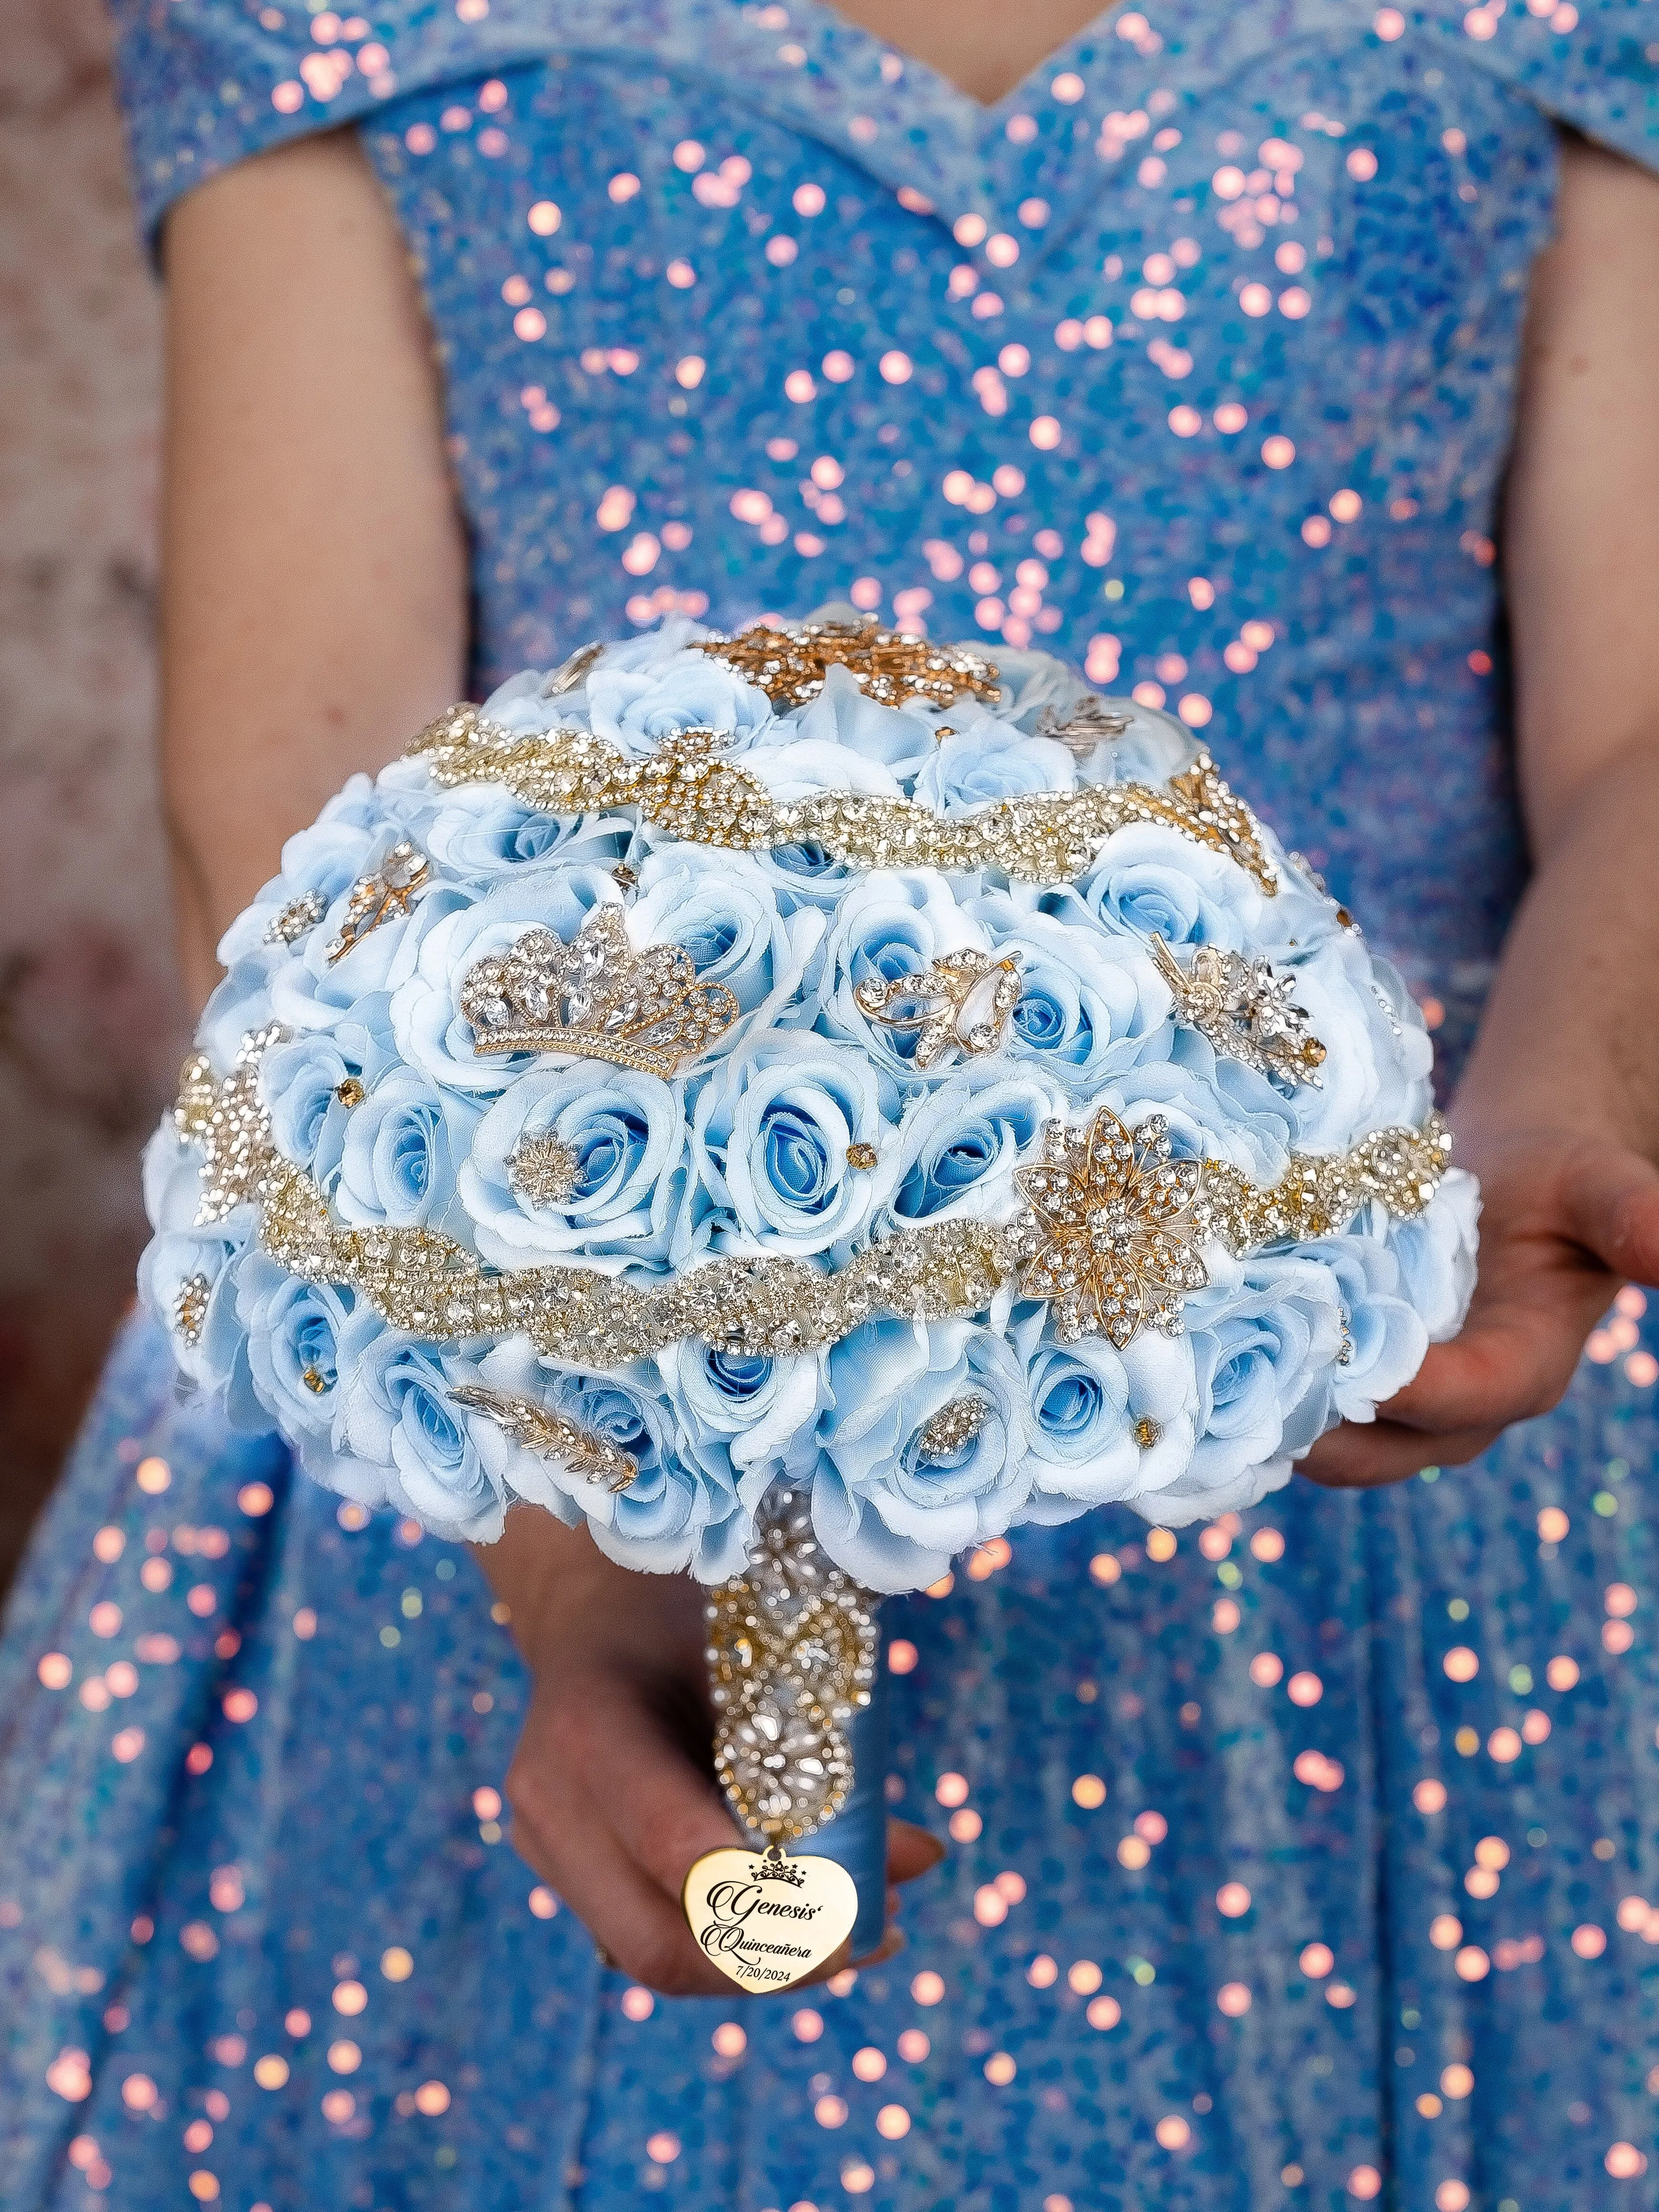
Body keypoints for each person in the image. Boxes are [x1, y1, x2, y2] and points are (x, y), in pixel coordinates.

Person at [3, 0, 1657, 2202]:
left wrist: (1550, 1098)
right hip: (553, 1376)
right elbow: (308, 801)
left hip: (1360, 1370)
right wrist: (574, 1552)